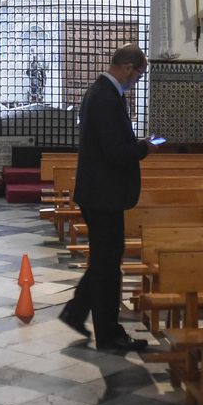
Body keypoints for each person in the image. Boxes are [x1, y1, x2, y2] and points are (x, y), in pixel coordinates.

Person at [60, 45, 152, 353]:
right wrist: (142, 148)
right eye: (137, 76)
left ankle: (75, 313)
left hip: (101, 193)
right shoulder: (105, 97)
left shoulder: (101, 93)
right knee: (109, 265)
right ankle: (109, 334)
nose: (135, 82)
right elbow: (114, 152)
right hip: (104, 194)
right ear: (128, 67)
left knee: (104, 260)